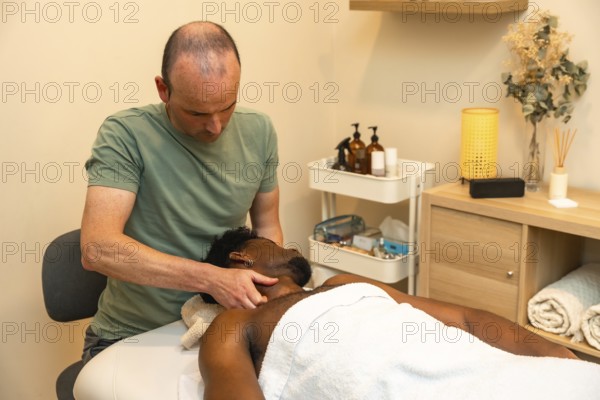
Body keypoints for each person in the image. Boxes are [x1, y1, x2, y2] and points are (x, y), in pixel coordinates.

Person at [80, 21, 282, 362]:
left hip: (221, 327)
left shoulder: (259, 130)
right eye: (197, 112)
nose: (215, 126)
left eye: (227, 106)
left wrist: (275, 295)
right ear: (163, 90)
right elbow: (98, 249)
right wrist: (213, 280)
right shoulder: (125, 135)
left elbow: (268, 228)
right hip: (132, 336)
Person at [198, 227, 592, 400]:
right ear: (243, 257)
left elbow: (467, 320)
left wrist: (557, 358)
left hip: (504, 379)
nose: (288, 248)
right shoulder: (235, 325)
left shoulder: (342, 283)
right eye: (272, 244)